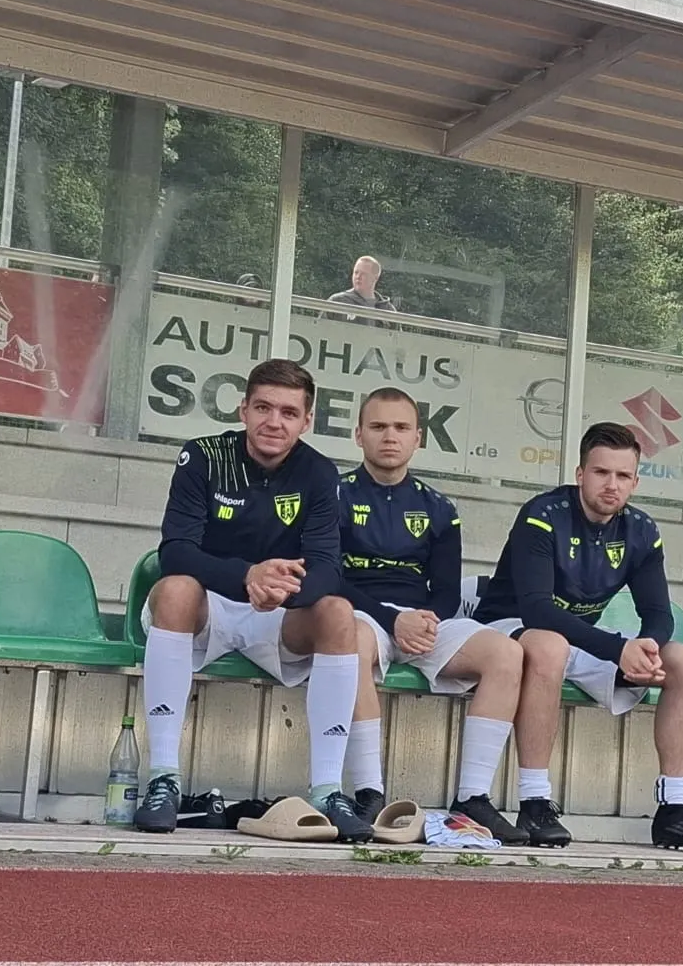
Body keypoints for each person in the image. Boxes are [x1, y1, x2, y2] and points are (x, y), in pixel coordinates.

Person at [135, 358, 370, 840]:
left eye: (288, 412)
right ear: (243, 410)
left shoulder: (319, 473)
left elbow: (327, 567)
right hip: (209, 606)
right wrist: (247, 577)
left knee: (338, 612)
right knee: (175, 587)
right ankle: (163, 780)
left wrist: (280, 591)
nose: (274, 422)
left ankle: (327, 790)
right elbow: (175, 550)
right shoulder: (203, 456)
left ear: (307, 421)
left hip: (278, 613)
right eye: (263, 407)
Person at [473, 422, 683, 852]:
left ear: (635, 482)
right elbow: (536, 609)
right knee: (549, 644)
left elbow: (657, 613)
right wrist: (617, 649)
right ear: (580, 474)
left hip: (579, 638)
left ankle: (675, 810)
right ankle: (534, 802)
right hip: (507, 630)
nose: (612, 485)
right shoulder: (543, 514)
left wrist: (647, 648)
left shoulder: (641, 530)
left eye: (623, 475)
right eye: (601, 472)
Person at [336, 387, 527, 842]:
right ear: (358, 435)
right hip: (361, 614)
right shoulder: (332, 495)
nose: (390, 436)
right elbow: (327, 578)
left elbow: (445, 591)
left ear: (418, 438)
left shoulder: (439, 508)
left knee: (506, 653)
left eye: (401, 427)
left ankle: (473, 797)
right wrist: (392, 620)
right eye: (378, 426)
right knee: (350, 638)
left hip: (419, 621)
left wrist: (425, 620)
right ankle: (369, 793)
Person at [327, 256, 397, 315]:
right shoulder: (338, 301)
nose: (358, 277)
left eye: (364, 274)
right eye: (356, 272)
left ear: (375, 278)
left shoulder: (388, 310)